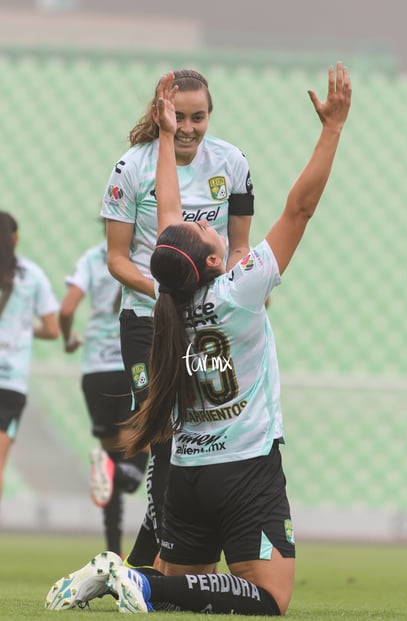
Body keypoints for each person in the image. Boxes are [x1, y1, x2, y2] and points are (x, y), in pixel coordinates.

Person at [45, 62, 351, 615]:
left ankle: (137, 575)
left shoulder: (166, 310)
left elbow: (169, 212)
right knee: (271, 599)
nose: (206, 221)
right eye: (207, 229)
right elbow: (300, 207)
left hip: (186, 469)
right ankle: (143, 581)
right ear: (213, 258)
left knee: (188, 587)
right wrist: (332, 129)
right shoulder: (240, 292)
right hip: (244, 465)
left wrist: (165, 136)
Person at [100, 69, 254, 567]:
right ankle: (152, 558)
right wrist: (169, 289)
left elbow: (240, 246)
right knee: (162, 431)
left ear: (210, 115)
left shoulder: (232, 164)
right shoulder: (131, 168)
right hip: (147, 319)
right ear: (162, 112)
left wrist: (234, 292)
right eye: (179, 117)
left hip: (206, 323)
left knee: (201, 432)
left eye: (199, 117)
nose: (188, 127)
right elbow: (117, 260)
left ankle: (157, 558)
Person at [59, 225, 149, 556]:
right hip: (131, 363)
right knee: (149, 439)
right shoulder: (145, 257)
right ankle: (129, 475)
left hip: (94, 371)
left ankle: (114, 551)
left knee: (111, 460)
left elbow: (67, 309)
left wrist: (69, 339)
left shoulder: (93, 259)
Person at [0, 211, 59, 506]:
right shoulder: (32, 275)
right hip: (10, 383)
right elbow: (52, 329)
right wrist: (24, 328)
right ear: (15, 239)